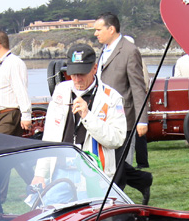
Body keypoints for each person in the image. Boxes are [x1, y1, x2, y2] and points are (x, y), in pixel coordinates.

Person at [34, 44, 127, 190]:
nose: (77, 79)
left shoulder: (112, 97)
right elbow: (50, 135)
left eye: (82, 73)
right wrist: (40, 173)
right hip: (60, 171)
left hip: (93, 173)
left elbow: (117, 139)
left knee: (90, 213)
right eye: (73, 73)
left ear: (94, 69)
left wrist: (88, 116)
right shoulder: (60, 90)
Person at [94, 12, 153, 202]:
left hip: (122, 117)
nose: (95, 34)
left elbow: (138, 87)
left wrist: (142, 119)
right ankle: (142, 179)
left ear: (111, 29)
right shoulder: (103, 50)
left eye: (98, 29)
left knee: (116, 163)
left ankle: (114, 201)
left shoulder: (129, 51)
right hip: (103, 116)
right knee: (112, 161)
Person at [0, 30, 32, 136]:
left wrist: (26, 115)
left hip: (9, 114)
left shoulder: (14, 63)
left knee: (1, 148)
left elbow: (21, 90)